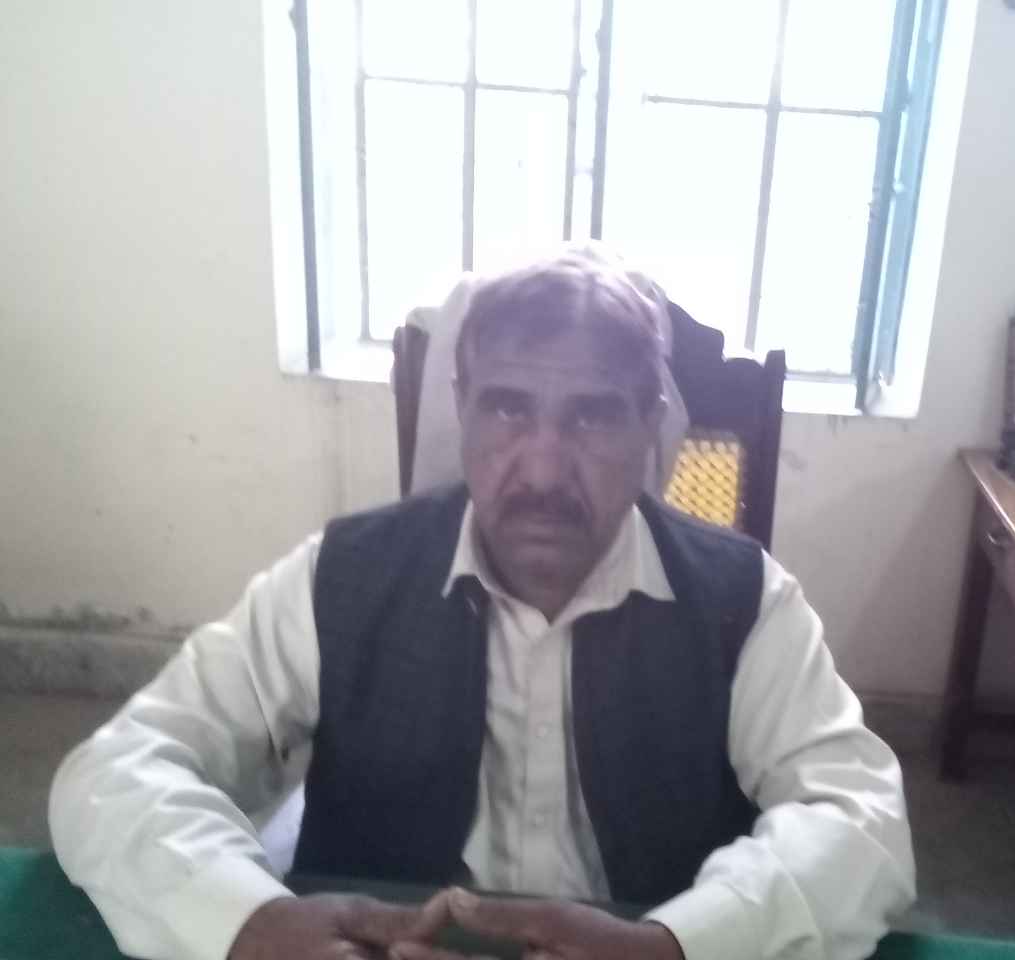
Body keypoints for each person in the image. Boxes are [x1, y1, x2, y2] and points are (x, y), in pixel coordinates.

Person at [49, 250, 916, 960]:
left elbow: (862, 821)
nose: (542, 469)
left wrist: (673, 946)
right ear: (461, 409)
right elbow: (117, 773)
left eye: (592, 418)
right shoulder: (342, 579)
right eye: (507, 409)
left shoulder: (743, 602)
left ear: (650, 425)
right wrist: (250, 922)